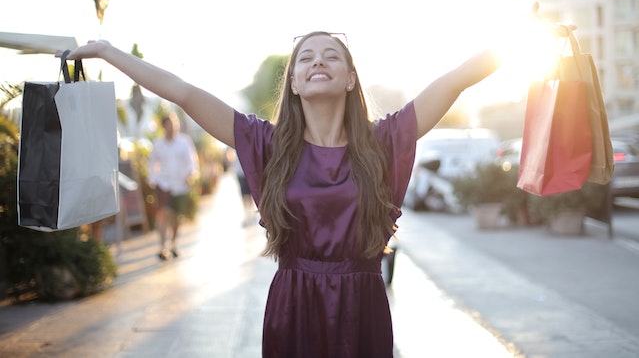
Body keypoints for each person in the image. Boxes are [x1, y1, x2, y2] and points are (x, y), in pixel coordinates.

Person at [57, 31, 501, 357]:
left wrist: (521, 40)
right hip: (294, 302)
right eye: (305, 58)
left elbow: (454, 80)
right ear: (293, 82)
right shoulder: (266, 143)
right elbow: (185, 94)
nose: (317, 62)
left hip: (362, 304)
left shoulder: (381, 141)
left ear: (350, 79)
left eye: (331, 56)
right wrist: (107, 52)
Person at [148, 112, 199, 260]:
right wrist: (155, 180)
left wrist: (190, 175)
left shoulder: (184, 142)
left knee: (176, 218)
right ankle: (162, 248)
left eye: (174, 123)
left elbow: (191, 162)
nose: (172, 127)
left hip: (180, 186)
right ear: (164, 126)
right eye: (169, 124)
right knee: (164, 215)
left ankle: (174, 245)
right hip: (164, 186)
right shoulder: (158, 144)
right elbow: (152, 164)